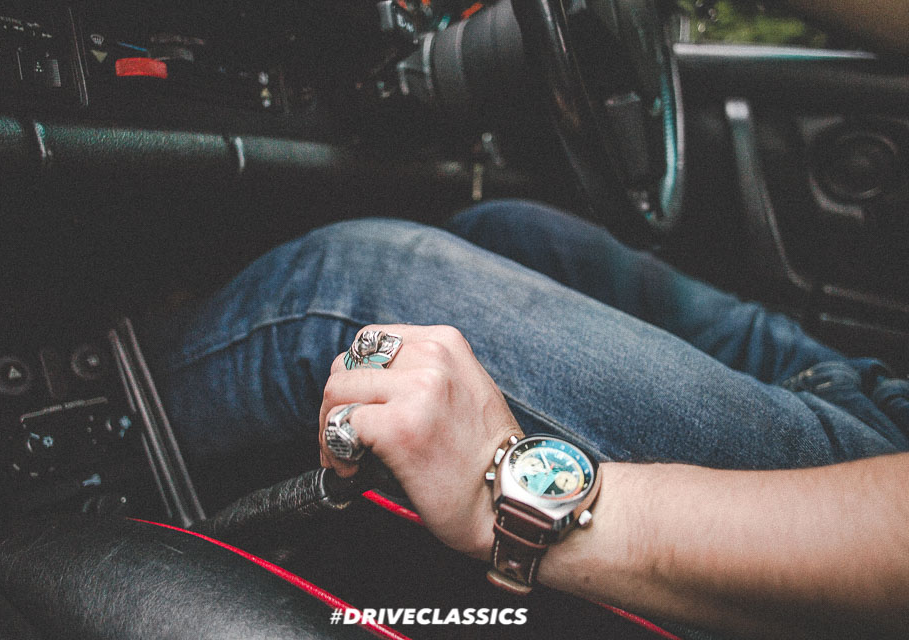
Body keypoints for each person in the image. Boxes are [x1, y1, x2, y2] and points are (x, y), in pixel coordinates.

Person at [148, 199, 909, 638]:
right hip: (879, 402)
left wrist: (511, 496)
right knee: (507, 227)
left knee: (345, 282)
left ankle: (123, 422)